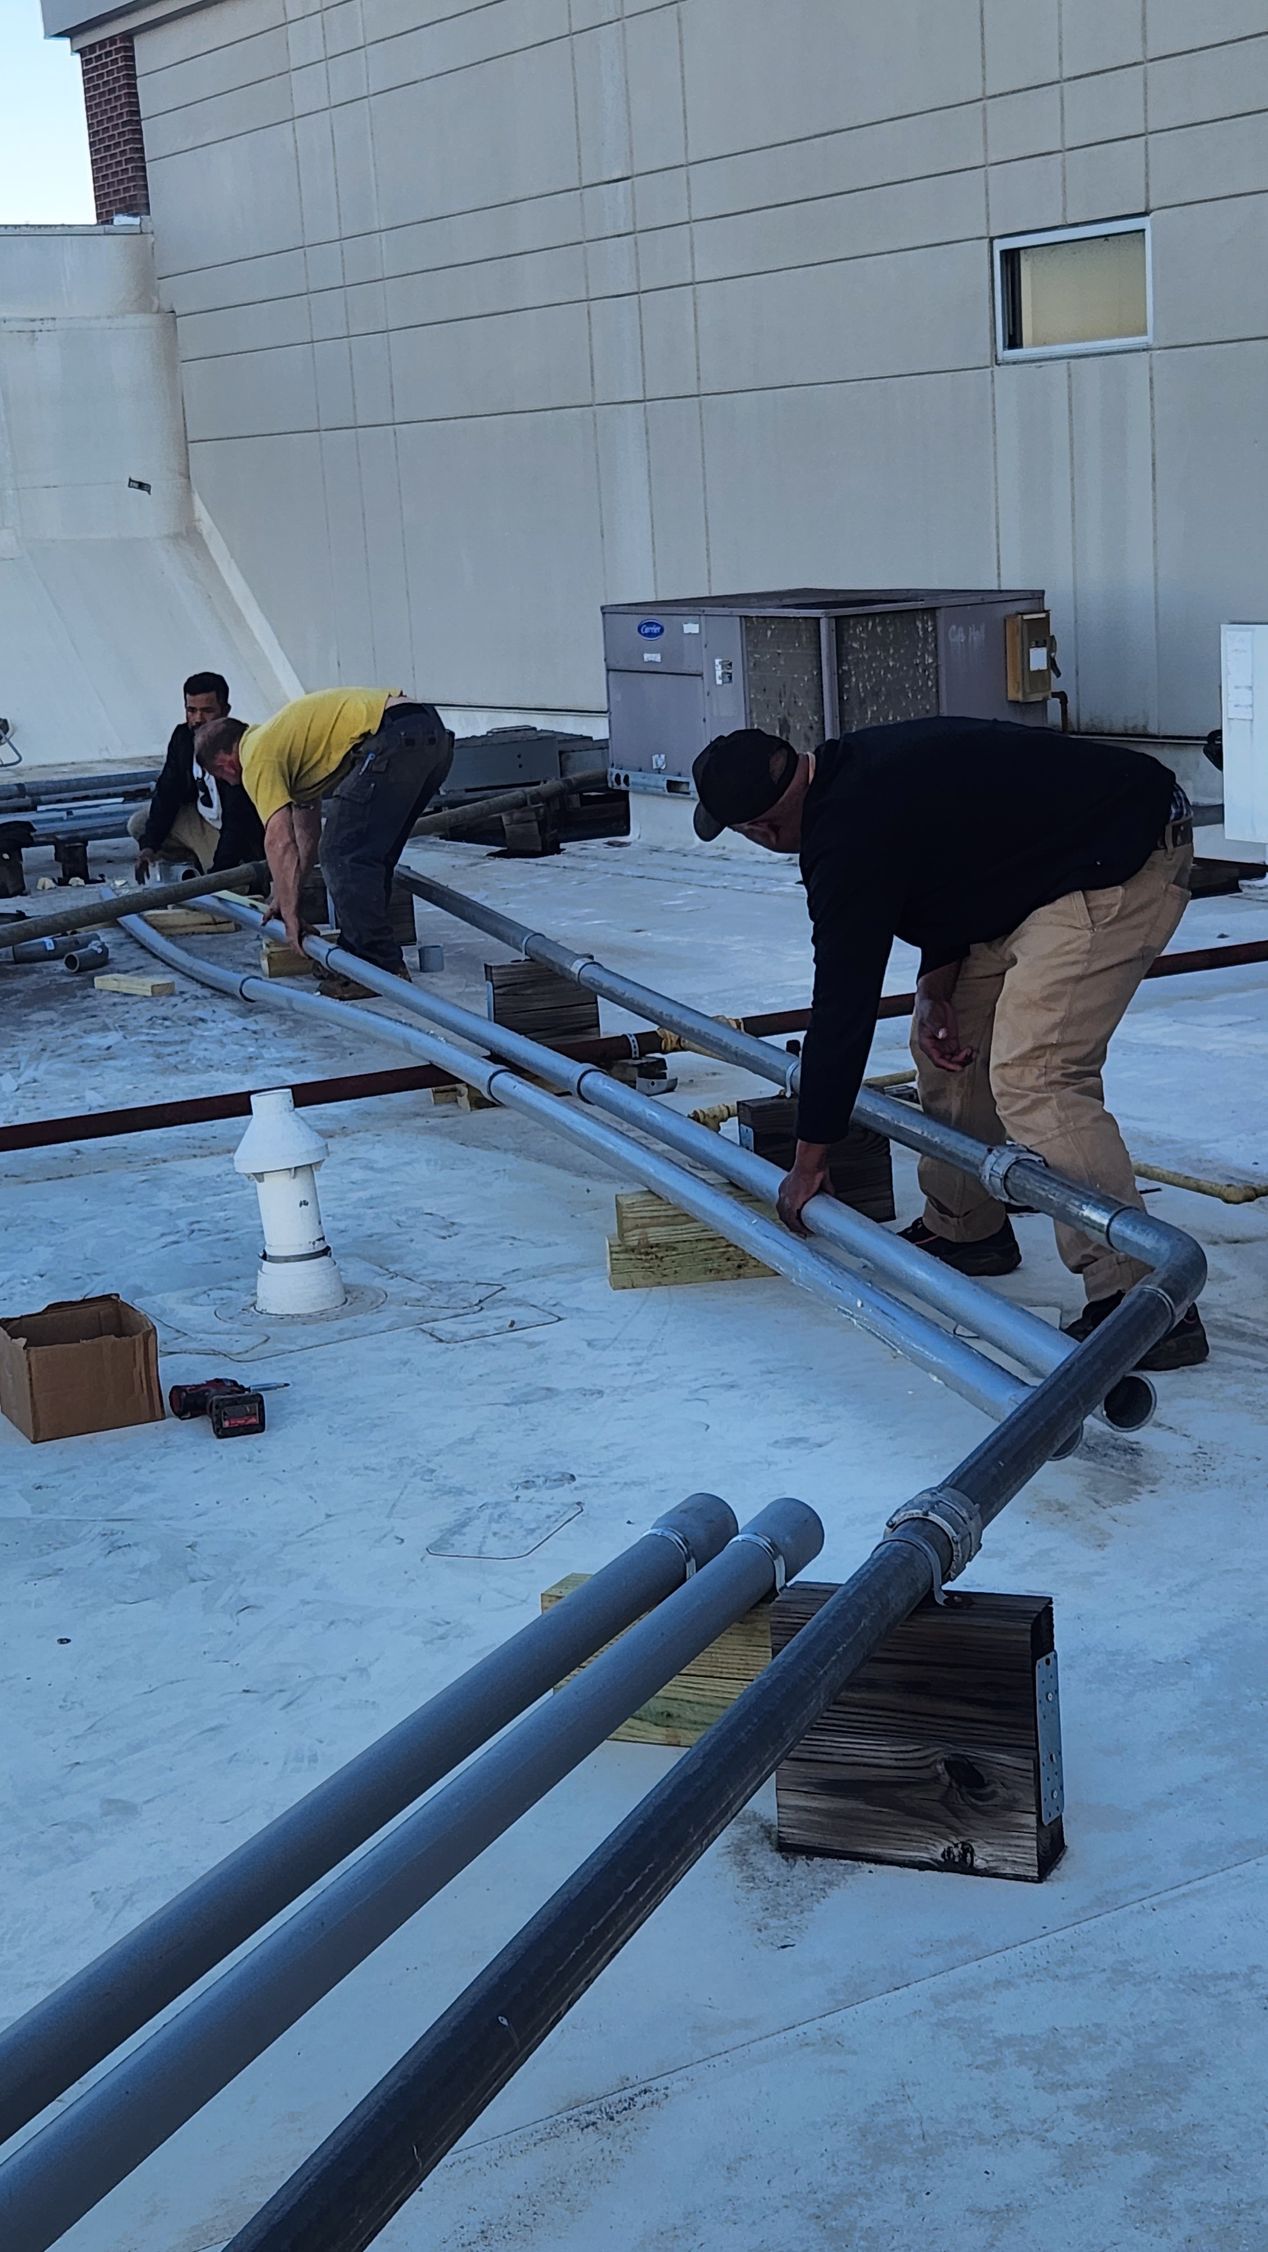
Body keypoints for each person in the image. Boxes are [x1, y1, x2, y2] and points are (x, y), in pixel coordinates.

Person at [691, 716, 1207, 1372]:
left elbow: (842, 1010)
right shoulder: (854, 778)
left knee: (1036, 1073)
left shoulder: (847, 837)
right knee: (948, 1034)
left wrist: (811, 1160)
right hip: (1048, 866)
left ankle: (1147, 1297)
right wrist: (936, 986)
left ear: (761, 831)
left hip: (1122, 856)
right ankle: (969, 1228)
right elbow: (959, 867)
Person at [196, 688, 453, 987]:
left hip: (393, 736)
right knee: (367, 854)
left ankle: (373, 965)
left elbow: (279, 839)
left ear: (223, 763)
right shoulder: (287, 747)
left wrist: (291, 916)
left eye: (218, 774)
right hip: (429, 732)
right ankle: (371, 955)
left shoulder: (255, 754)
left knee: (344, 854)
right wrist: (287, 895)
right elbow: (307, 837)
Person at [128, 673, 264, 879]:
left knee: (230, 885)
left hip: (234, 829)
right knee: (139, 824)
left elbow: (239, 818)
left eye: (207, 711)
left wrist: (220, 872)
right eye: (191, 711)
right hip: (202, 817)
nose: (198, 719)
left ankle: (214, 870)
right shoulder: (183, 737)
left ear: (225, 710)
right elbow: (168, 791)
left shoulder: (237, 746)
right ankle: (193, 862)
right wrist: (149, 846)